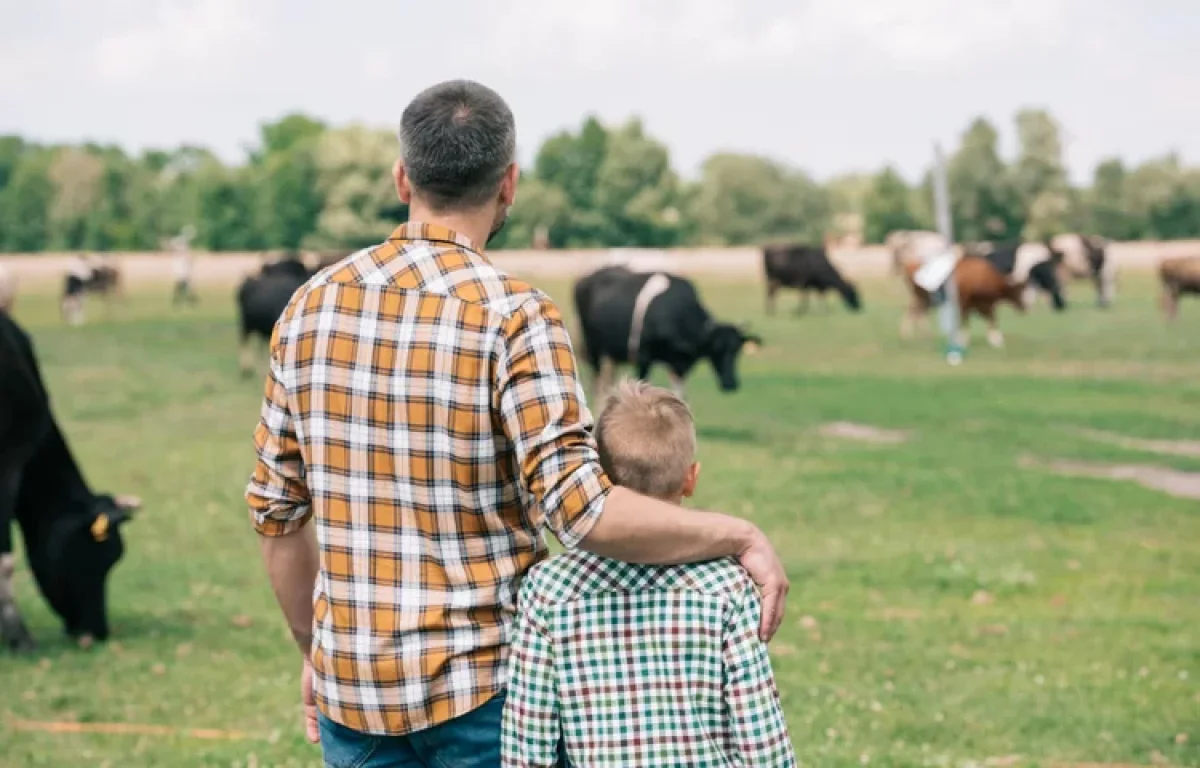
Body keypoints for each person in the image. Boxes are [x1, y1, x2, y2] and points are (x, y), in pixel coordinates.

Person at [246, 80, 788, 768]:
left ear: (402, 177)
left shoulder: (307, 308)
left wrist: (314, 651)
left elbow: (277, 514)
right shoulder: (517, 316)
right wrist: (740, 535)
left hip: (352, 692)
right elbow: (581, 511)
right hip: (489, 698)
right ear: (510, 185)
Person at [502, 380, 796, 767]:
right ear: (691, 478)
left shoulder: (548, 590)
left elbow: (528, 742)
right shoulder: (728, 587)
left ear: (598, 476)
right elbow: (763, 741)